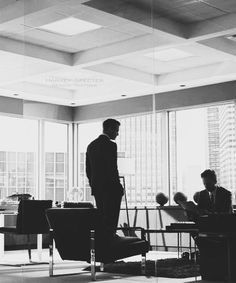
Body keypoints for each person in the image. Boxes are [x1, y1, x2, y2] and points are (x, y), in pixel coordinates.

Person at [86, 118, 124, 242]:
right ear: (109, 129)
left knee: (102, 217)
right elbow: (112, 168)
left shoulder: (91, 145)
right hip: (111, 188)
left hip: (98, 189)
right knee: (112, 218)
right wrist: (118, 187)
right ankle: (111, 242)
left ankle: (103, 243)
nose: (117, 134)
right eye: (116, 130)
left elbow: (88, 170)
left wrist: (94, 185)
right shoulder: (111, 145)